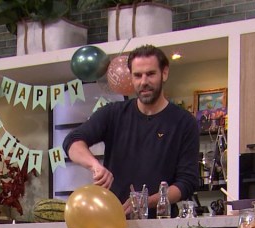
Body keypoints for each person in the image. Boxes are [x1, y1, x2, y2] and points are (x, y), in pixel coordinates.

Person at [63, 44, 199, 216]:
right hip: (115, 220)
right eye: (137, 75)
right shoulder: (113, 114)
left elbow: (187, 182)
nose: (144, 82)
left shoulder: (184, 122)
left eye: (150, 74)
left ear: (164, 73)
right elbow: (72, 142)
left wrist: (145, 202)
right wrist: (94, 165)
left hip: (161, 223)